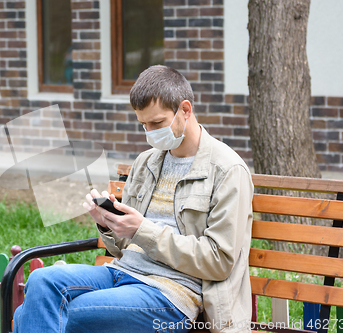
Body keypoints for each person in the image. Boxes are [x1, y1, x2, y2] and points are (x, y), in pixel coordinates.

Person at [13, 65, 254, 333]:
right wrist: (108, 224)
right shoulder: (146, 162)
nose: (150, 133)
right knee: (41, 281)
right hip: (122, 273)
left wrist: (143, 230)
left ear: (185, 110)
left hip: (172, 293)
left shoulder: (227, 170)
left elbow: (218, 261)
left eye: (157, 123)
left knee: (43, 313)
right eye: (143, 125)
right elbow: (123, 247)